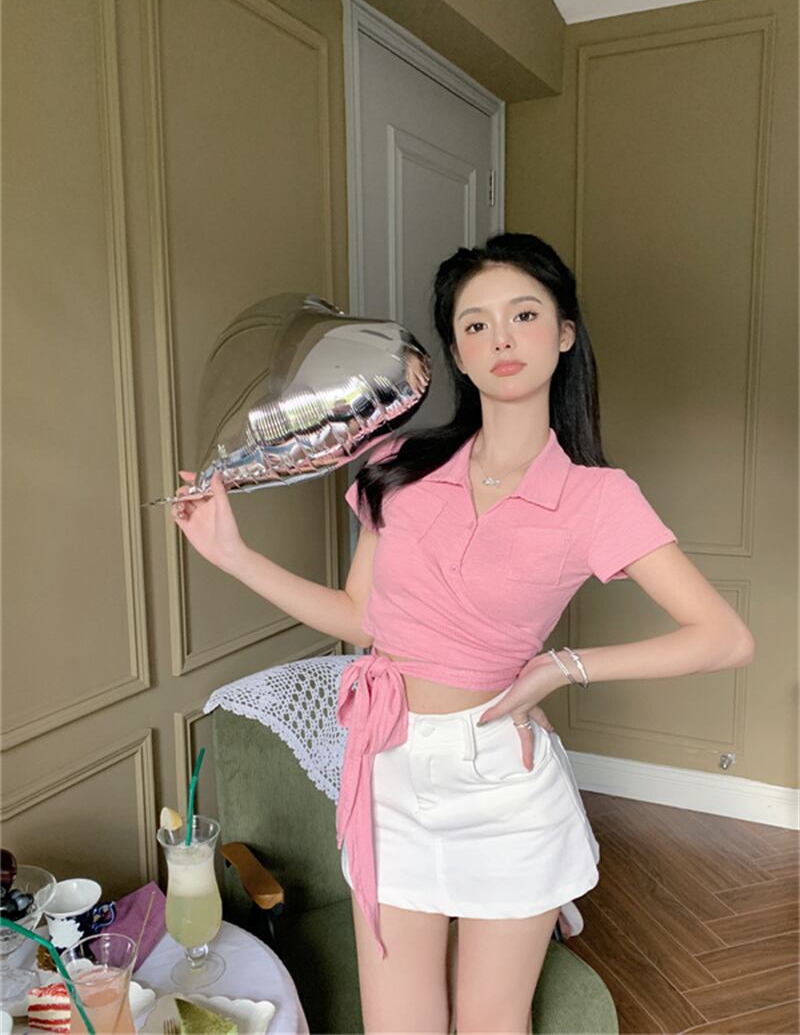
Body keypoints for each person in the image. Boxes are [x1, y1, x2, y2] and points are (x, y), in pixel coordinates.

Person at [171, 232, 754, 1034]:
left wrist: (560, 666)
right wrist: (233, 555)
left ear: (565, 333)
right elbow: (361, 617)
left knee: (490, 1022)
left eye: (524, 314)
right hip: (389, 764)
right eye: (475, 324)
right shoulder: (399, 464)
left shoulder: (597, 498)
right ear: (455, 351)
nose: (500, 338)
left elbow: (722, 636)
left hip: (502, 782)